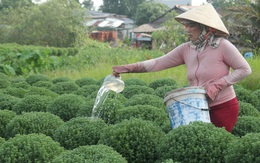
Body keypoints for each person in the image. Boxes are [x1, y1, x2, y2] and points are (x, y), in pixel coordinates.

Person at [112, 4, 252, 132]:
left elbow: (244, 69)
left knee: (214, 147)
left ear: (206, 28)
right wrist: (128, 68)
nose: (187, 30)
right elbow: (157, 63)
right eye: (186, 25)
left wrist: (218, 85)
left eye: (191, 26)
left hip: (222, 107)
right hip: (196, 107)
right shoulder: (186, 49)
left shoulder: (223, 46)